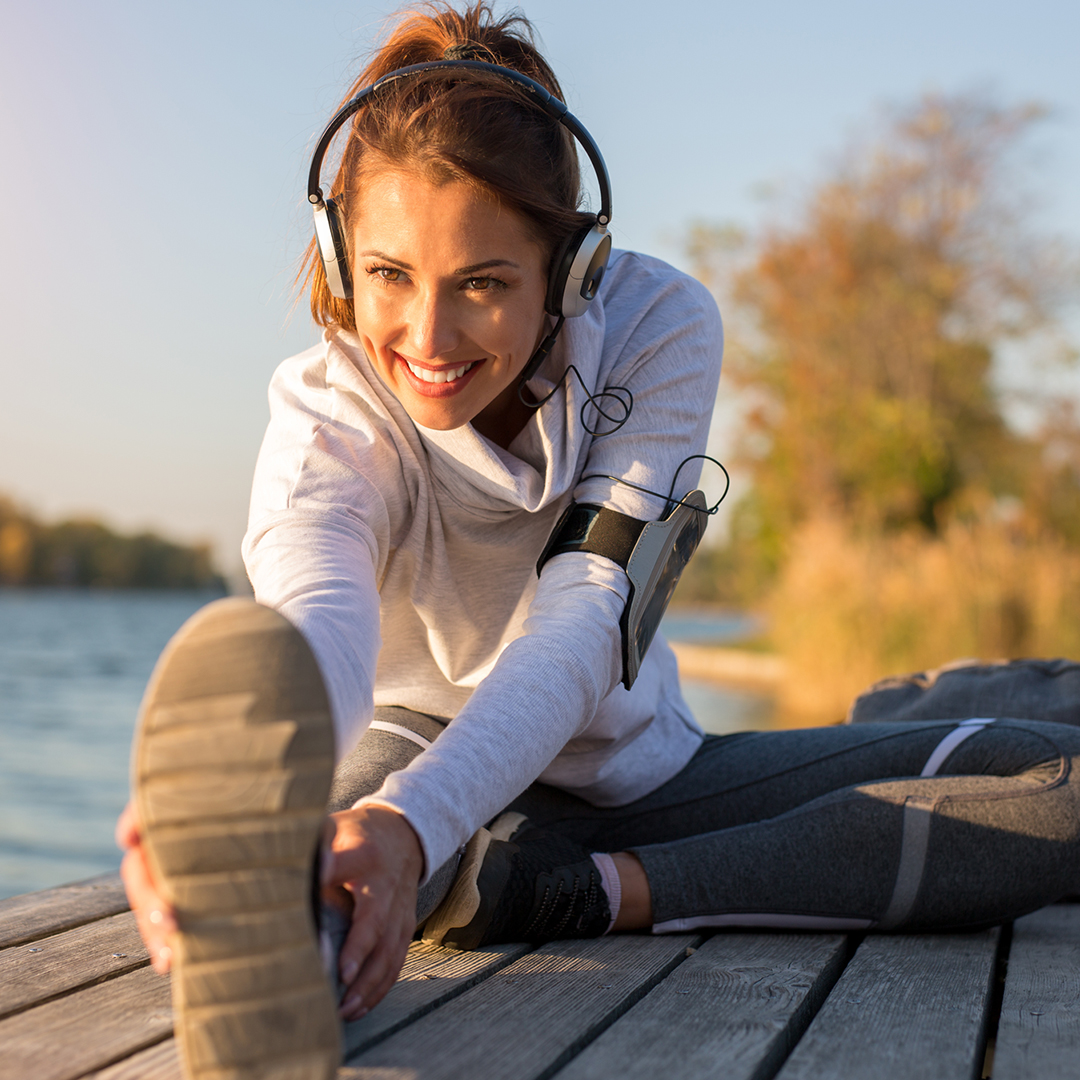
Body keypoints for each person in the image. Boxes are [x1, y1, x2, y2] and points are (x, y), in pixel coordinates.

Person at [117, 5, 1080, 1079]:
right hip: (413, 759)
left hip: (634, 776)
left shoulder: (659, 325)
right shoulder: (324, 406)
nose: (426, 340)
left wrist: (430, 834)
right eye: (388, 275)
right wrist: (319, 785)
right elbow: (321, 611)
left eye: (482, 283)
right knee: (331, 852)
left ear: (571, 269)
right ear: (343, 256)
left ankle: (578, 889)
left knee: (1059, 791)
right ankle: (290, 987)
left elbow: (583, 617)